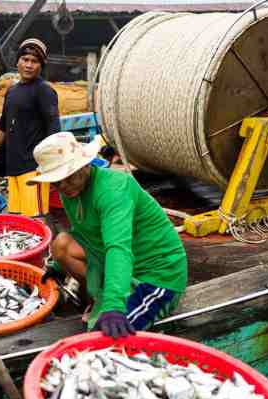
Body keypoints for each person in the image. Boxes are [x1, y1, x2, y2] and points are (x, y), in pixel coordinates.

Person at [34, 132, 188, 338]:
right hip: (115, 261)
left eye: (67, 177)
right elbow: (82, 234)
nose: (62, 186)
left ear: (85, 165)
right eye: (55, 182)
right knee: (61, 244)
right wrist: (58, 268)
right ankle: (101, 297)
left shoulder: (114, 190)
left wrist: (114, 305)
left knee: (102, 337)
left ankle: (112, 299)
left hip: (156, 275)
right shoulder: (70, 191)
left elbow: (118, 248)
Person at [0, 38, 60, 218]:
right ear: (17, 61)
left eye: (34, 61)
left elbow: (54, 128)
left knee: (36, 220)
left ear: (41, 66)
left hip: (34, 169)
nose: (28, 65)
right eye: (25, 60)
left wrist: (49, 164)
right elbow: (3, 125)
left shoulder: (44, 91)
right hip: (13, 167)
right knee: (17, 221)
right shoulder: (12, 91)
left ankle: (44, 248)